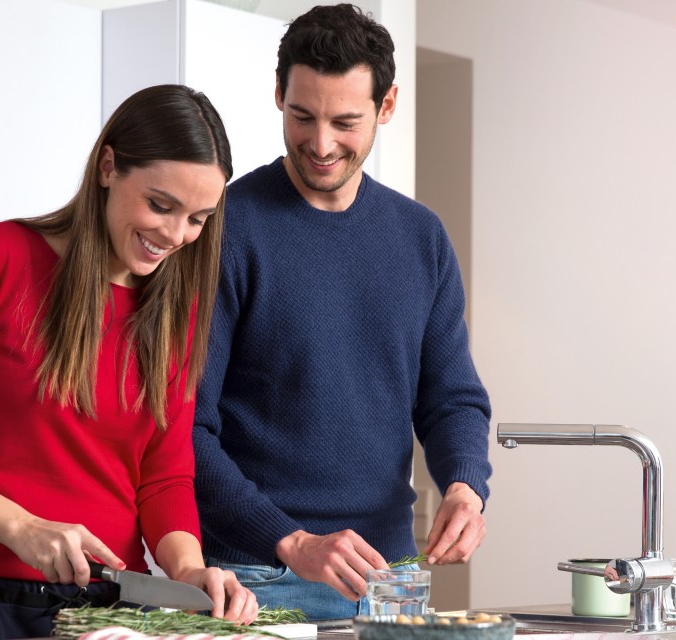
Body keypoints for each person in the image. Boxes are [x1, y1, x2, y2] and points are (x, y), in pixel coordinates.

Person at [0, 85, 257, 640]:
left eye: (198, 218)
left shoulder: (175, 313)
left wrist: (189, 571)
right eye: (160, 205)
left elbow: (164, 476)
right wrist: (21, 528)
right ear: (108, 166)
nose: (174, 235)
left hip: (109, 610)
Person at [192, 4, 492, 621]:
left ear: (386, 106)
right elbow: (183, 429)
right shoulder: (224, 229)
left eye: (345, 121)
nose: (321, 143)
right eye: (302, 116)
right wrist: (292, 540)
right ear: (278, 95)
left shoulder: (421, 237)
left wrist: (465, 485)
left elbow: (452, 398)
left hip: (389, 578)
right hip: (256, 577)